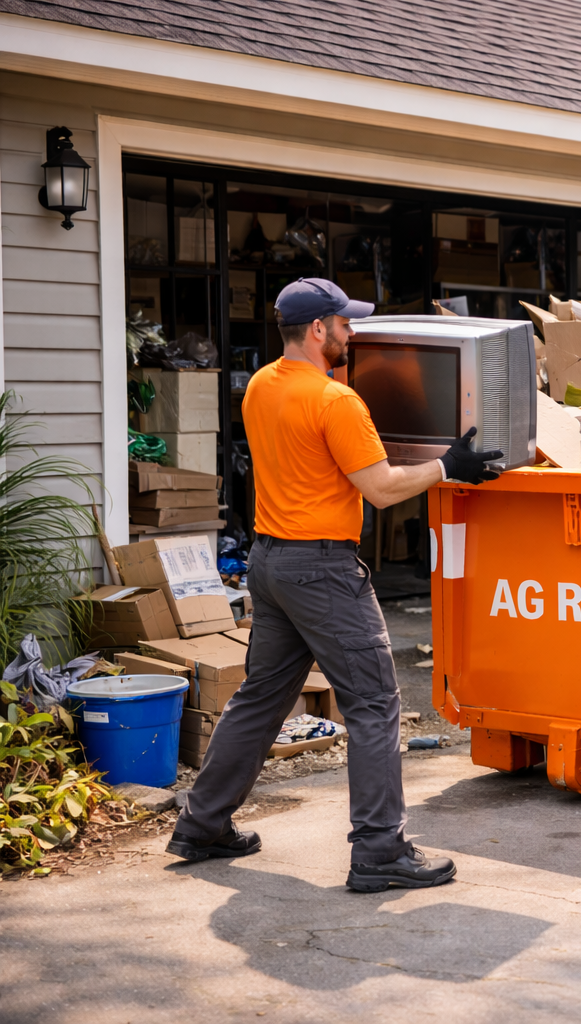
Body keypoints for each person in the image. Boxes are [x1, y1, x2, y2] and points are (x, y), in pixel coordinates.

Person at [167, 278, 503, 891]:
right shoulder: (336, 402)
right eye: (346, 324)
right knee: (374, 703)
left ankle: (202, 822)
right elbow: (378, 488)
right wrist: (448, 466)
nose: (354, 333)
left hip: (270, 565)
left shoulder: (261, 387)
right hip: (322, 570)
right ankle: (379, 849)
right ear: (318, 329)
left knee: (261, 698)